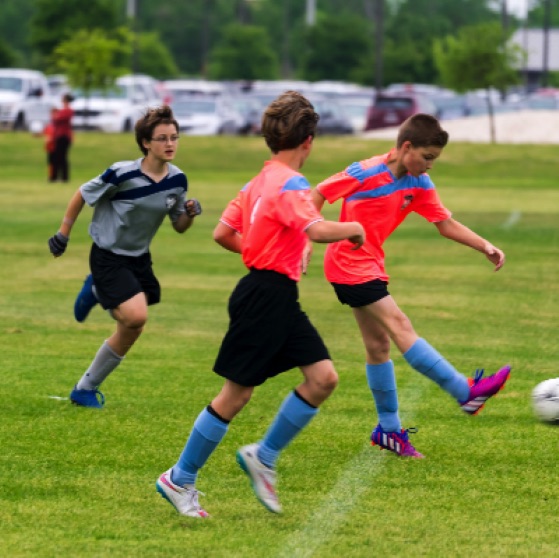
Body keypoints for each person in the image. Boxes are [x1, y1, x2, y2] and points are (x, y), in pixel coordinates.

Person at [155, 91, 365, 518]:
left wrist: (267, 252)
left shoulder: (257, 182)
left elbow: (222, 233)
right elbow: (317, 229)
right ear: (308, 141)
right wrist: (354, 228)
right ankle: (179, 477)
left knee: (323, 378)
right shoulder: (291, 183)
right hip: (265, 297)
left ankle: (263, 458)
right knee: (235, 395)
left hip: (275, 294)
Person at [310, 113, 511, 459]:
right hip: (348, 264)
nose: (430, 165)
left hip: (371, 264)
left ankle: (388, 431)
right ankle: (465, 392)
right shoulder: (364, 172)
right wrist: (308, 236)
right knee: (400, 325)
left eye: (434, 159)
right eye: (427, 157)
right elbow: (316, 196)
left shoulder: (419, 183)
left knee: (378, 347)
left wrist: (484, 246)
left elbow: (444, 223)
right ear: (406, 147)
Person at [47, 105, 202, 408]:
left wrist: (190, 213)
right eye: (162, 138)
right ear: (146, 143)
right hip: (108, 256)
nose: (170, 144)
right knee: (136, 316)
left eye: (174, 137)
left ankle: (85, 389)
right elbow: (82, 194)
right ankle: (97, 288)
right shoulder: (122, 173)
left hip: (139, 259)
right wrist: (63, 233)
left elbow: (179, 226)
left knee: (133, 327)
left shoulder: (178, 180)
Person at [51, 93, 74, 182]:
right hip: (59, 135)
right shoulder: (63, 111)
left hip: (63, 136)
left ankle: (64, 177)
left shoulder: (67, 111)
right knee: (57, 156)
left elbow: (57, 119)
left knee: (62, 157)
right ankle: (56, 176)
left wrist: (55, 113)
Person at [44, 107, 58, 182]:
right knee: (50, 163)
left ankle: (55, 176)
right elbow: (45, 133)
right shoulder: (49, 125)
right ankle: (51, 176)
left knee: (56, 162)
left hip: (56, 146)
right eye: (52, 114)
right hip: (50, 147)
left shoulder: (58, 126)